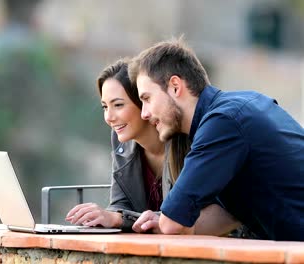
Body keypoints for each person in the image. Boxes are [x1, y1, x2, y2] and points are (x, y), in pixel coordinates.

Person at [128, 38, 304, 241]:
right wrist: (164, 221)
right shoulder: (245, 103)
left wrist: (167, 220)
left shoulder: (223, 123)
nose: (144, 114)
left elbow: (172, 224)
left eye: (147, 99)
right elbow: (227, 215)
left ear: (175, 86)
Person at [65, 59, 180, 232]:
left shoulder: (182, 142)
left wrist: (118, 218)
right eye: (105, 107)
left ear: (144, 102)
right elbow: (120, 205)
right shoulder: (121, 141)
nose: (109, 117)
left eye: (118, 105)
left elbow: (184, 214)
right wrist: (103, 216)